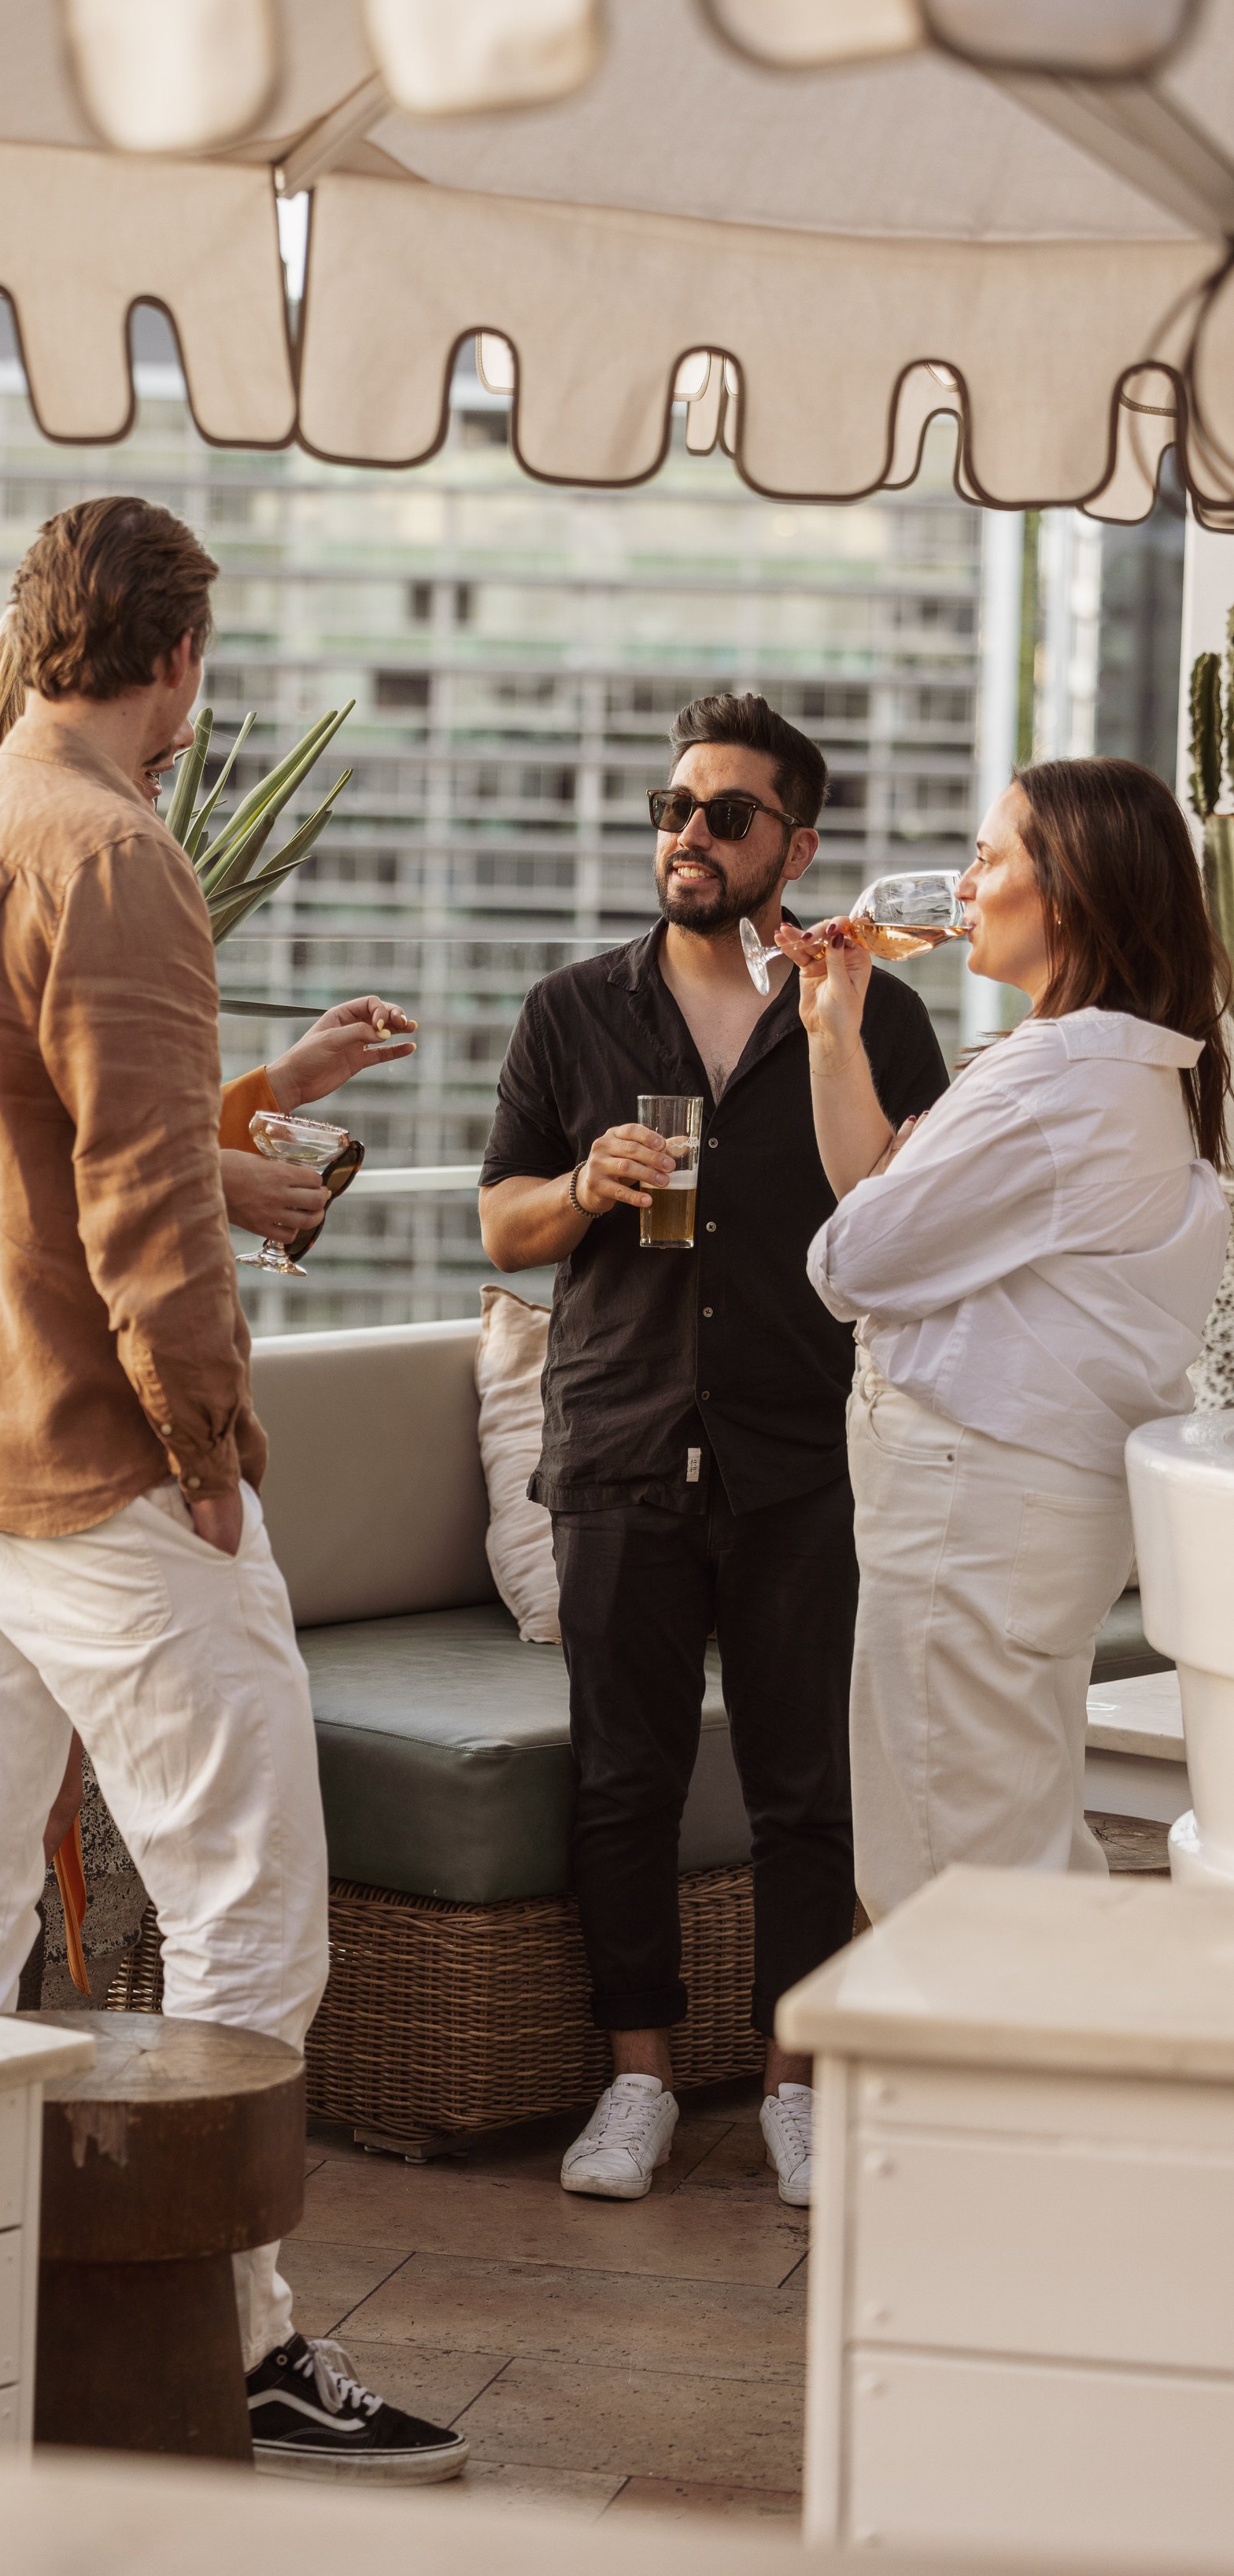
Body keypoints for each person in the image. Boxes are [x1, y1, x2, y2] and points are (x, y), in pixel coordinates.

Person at [0, 496, 465, 2482]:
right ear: (177, 656)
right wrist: (209, 1454)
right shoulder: (115, 852)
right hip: (104, 1475)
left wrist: (237, 1138)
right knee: (255, 1899)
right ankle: (225, 2333)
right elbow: (133, 1217)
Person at [478, 692, 948, 2209]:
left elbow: (920, 1211)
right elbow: (500, 1223)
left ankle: (795, 2087)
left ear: (796, 844)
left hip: (803, 1445)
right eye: (676, 806)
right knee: (626, 1775)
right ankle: (641, 2082)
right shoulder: (571, 1011)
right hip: (617, 1440)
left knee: (805, 1784)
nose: (689, 835)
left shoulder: (874, 1009)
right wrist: (583, 1184)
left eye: (727, 815)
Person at [793, 758, 1230, 1919]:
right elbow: (889, 1201)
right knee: (1009, 1849)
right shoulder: (1131, 1070)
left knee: (952, 1887)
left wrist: (891, 1214)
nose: (965, 884)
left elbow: (848, 1260)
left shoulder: (1049, 1081)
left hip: (971, 1519)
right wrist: (837, 1035)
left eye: (990, 859)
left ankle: (999, 2102)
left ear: (1071, 895)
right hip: (1024, 1519)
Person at [0, 603, 416, 1251]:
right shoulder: (67, 880)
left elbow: (100, 1129)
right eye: (162, 696)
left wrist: (282, 1085)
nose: (186, 738)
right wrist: (210, 1183)